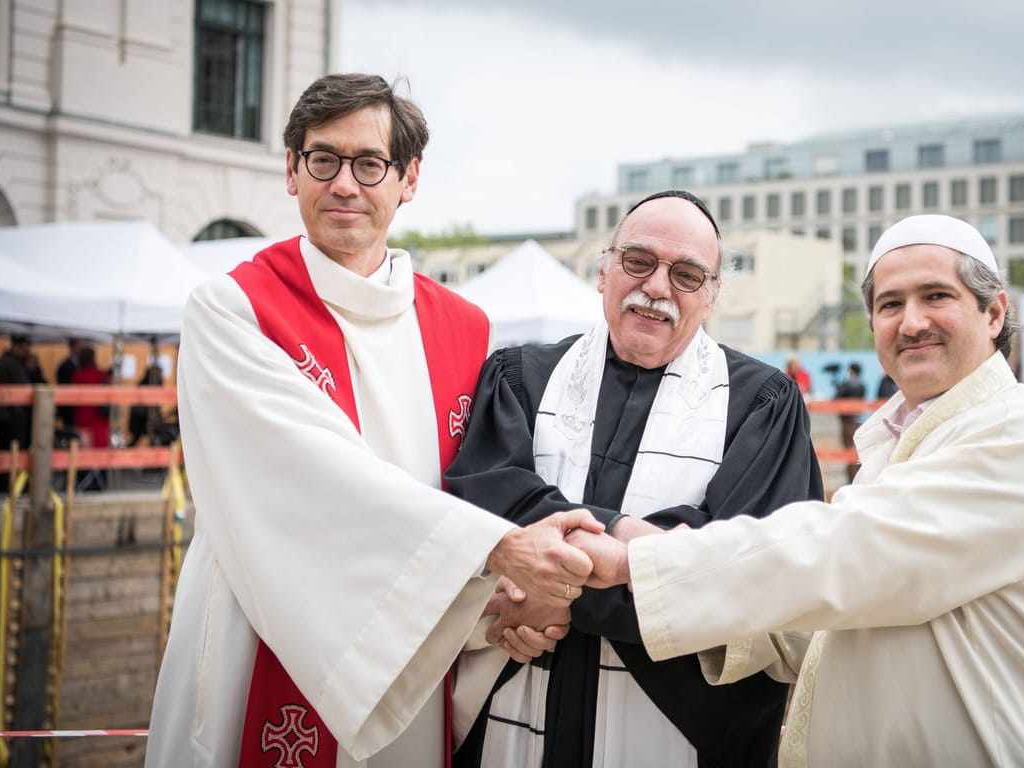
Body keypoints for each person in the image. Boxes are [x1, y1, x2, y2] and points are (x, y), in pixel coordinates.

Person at [146, 73, 605, 768]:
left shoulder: (466, 329)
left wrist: (500, 606)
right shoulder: (231, 309)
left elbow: (475, 485)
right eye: (322, 159)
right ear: (292, 171)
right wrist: (497, 551)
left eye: (370, 164)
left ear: (409, 178)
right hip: (258, 623)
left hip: (412, 640)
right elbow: (314, 480)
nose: (344, 184)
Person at [584, 214, 1024, 766]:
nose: (911, 323)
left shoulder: (1023, 435)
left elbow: (846, 553)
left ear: (995, 311)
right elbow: (823, 620)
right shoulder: (898, 446)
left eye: (936, 296)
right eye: (890, 304)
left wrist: (641, 557)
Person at [445, 190, 824, 767]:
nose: (657, 288)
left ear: (713, 295)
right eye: (638, 261)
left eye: (688, 275)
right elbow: (487, 508)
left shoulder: (760, 405)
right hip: (516, 692)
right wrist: (623, 535)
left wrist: (562, 600)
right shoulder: (520, 378)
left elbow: (742, 561)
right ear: (603, 269)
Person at [0, 334, 33, 488]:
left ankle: (3, 484)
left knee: (2, 451)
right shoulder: (12, 364)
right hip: (11, 416)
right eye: (25, 348)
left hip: (0, 414)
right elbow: (25, 386)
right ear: (17, 346)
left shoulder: (0, 361)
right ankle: (12, 486)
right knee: (13, 453)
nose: (28, 351)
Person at [69, 345, 111, 450]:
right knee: (99, 453)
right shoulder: (102, 375)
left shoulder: (77, 376)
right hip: (98, 419)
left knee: (83, 454)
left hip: (82, 418)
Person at [55, 337, 85, 429]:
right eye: (78, 346)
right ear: (72, 347)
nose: (80, 348)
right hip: (69, 407)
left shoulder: (82, 364)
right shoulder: (65, 366)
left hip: (80, 407)